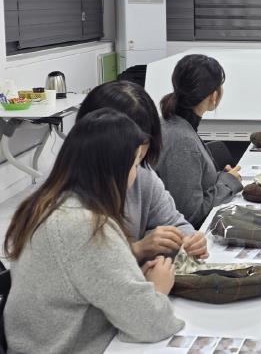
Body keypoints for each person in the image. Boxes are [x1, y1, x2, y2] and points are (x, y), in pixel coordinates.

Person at [4, 109, 184, 354]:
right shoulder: (85, 226)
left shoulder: (45, 205)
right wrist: (158, 287)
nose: (136, 174)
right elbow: (151, 324)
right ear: (114, 170)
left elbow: (86, 282)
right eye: (134, 164)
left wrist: (132, 278)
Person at [76, 80, 208, 262]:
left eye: (144, 142)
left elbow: (175, 223)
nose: (137, 154)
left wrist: (190, 240)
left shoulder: (142, 175)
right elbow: (87, 266)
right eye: (130, 143)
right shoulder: (70, 202)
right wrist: (137, 250)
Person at [156, 54, 243, 228]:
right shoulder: (182, 142)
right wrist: (228, 183)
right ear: (214, 96)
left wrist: (219, 178)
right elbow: (191, 214)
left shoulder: (171, 122)